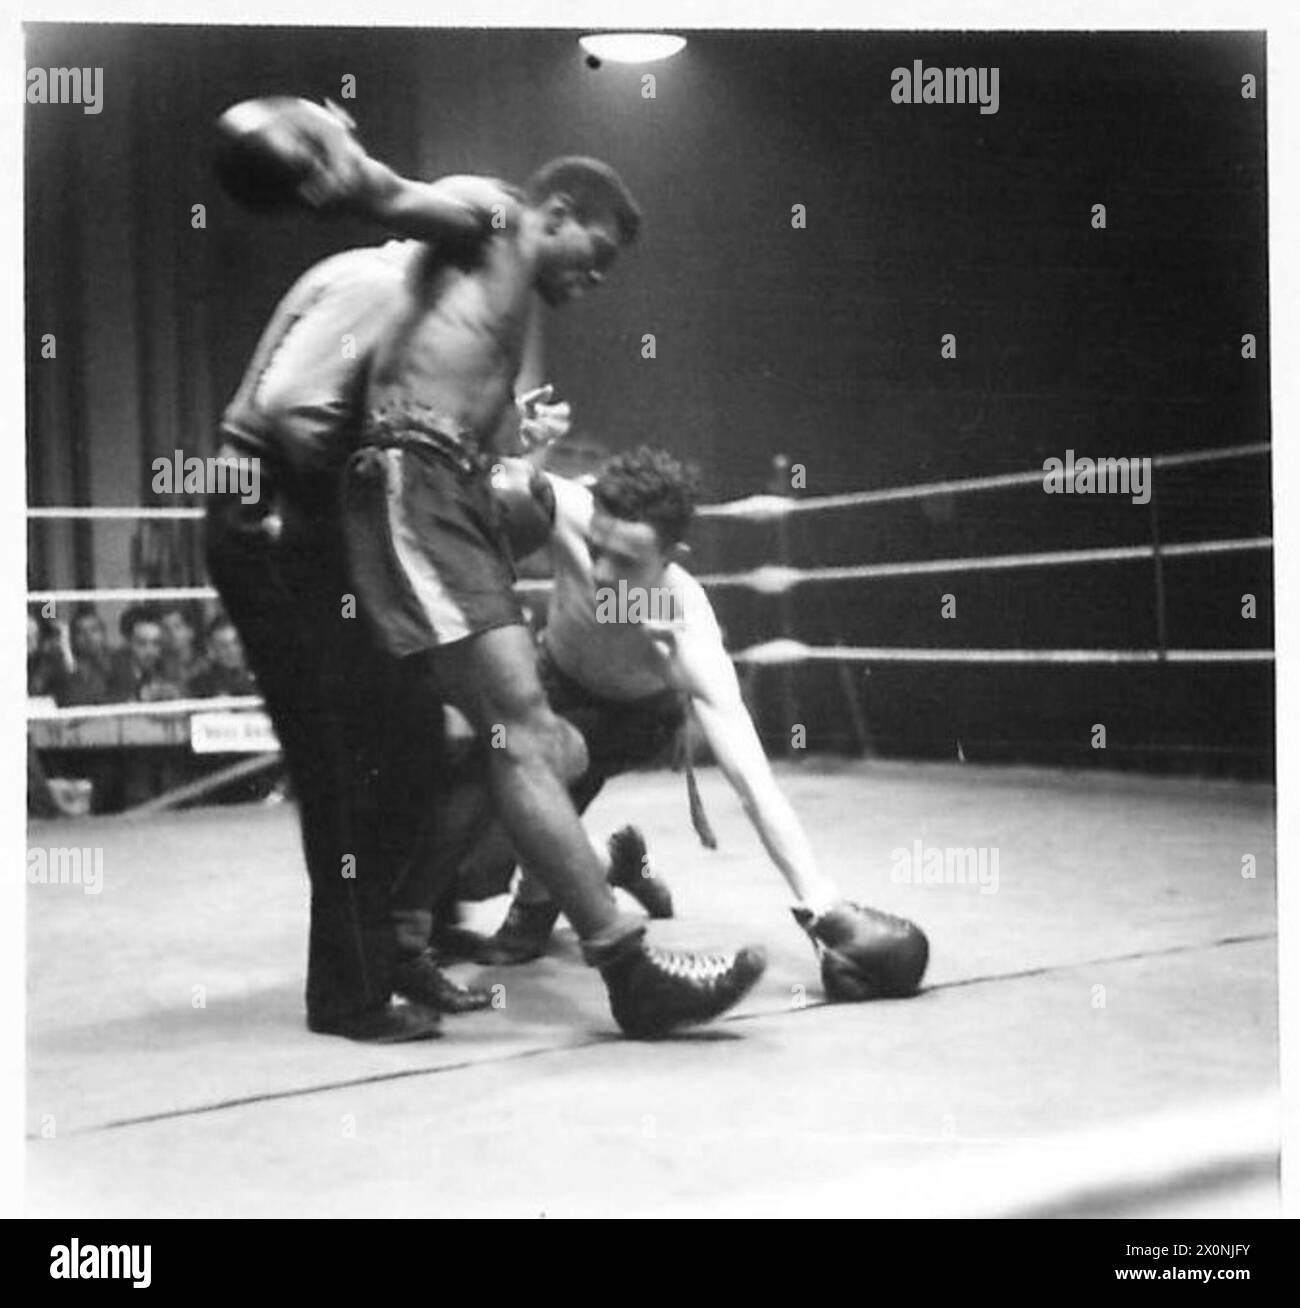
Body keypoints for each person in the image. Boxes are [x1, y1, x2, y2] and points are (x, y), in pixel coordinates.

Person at [335, 150, 766, 1038]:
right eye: (595, 252)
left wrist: (513, 438)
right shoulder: (491, 215)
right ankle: (625, 963)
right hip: (409, 485)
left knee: (526, 745)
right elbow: (387, 196)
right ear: (557, 210)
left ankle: (409, 940)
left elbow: (471, 443)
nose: (597, 276)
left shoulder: (502, 304)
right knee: (528, 733)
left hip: (445, 492)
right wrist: (332, 156)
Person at [411, 447, 930, 1001]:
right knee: (473, 874)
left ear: (671, 556)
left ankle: (541, 901)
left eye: (629, 563)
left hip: (631, 720)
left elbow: (753, 781)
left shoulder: (687, 626)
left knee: (533, 802)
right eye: (596, 551)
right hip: (552, 684)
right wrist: (519, 435)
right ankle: (618, 863)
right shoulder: (565, 507)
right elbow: (473, 462)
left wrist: (820, 903)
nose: (605, 574)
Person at [190, 614, 258, 697]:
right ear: (212, 649)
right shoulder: (201, 686)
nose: (232, 650)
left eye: (235, 642)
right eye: (223, 646)